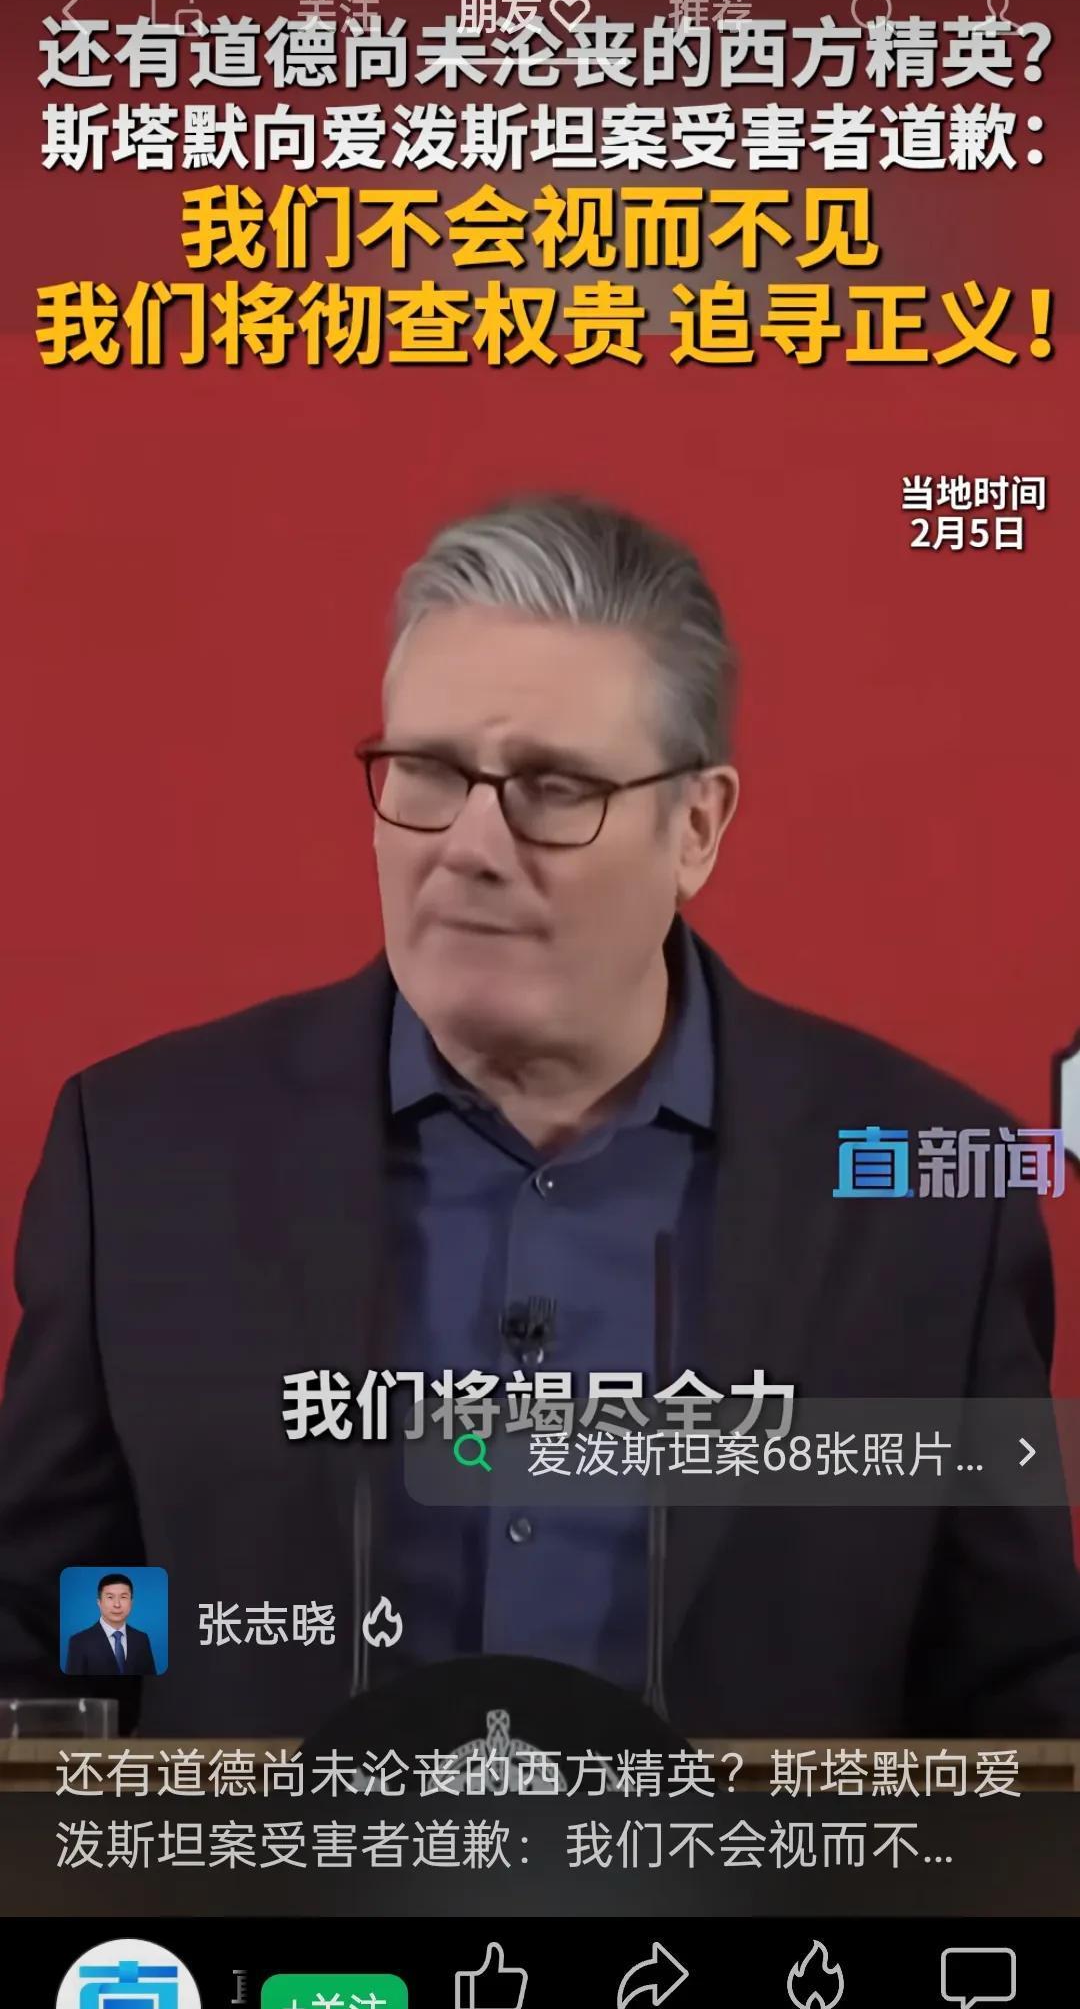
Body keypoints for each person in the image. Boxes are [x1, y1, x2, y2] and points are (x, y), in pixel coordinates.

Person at [1, 493, 1078, 1739]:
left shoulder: (930, 1207)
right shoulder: (145, 1161)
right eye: (427, 771)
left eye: (553, 788)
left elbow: (1017, 1712)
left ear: (696, 827)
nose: (468, 845)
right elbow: (45, 1648)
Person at [64, 1572, 157, 1677]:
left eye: (123, 1597)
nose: (117, 1604)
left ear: (131, 1602)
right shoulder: (79, 1642)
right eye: (110, 1597)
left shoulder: (141, 1639)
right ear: (99, 1602)